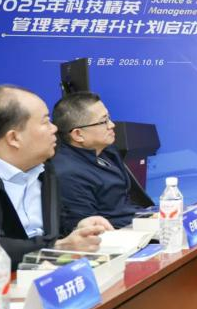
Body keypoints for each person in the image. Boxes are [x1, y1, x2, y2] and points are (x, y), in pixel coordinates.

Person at [0, 85, 111, 269]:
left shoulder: (43, 167)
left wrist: (78, 228)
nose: (55, 128)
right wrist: (57, 248)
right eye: (45, 122)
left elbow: (53, 229)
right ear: (14, 138)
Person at [52, 92, 142, 231]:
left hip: (137, 223)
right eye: (103, 121)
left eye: (109, 118)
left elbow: (124, 205)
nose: (112, 125)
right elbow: (89, 230)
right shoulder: (68, 174)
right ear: (78, 134)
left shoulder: (107, 151)